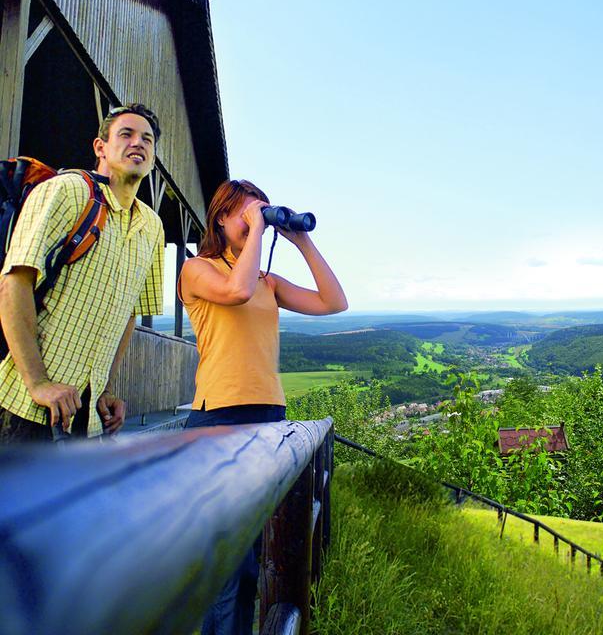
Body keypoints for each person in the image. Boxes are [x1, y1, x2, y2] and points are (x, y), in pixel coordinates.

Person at [178, 178, 346, 635]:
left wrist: (301, 240)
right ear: (220, 218)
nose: (254, 222)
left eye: (261, 213)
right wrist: (257, 229)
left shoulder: (267, 283)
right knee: (228, 563)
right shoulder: (198, 269)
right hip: (220, 416)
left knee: (253, 554)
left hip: (269, 415)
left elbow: (334, 302)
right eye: (244, 213)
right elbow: (235, 291)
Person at [0, 104, 164, 442]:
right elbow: (15, 282)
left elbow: (130, 313)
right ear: (100, 148)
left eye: (147, 139)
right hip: (24, 405)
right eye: (126, 134)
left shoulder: (153, 226)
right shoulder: (68, 190)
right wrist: (38, 383)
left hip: (85, 417)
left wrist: (104, 389)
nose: (139, 143)